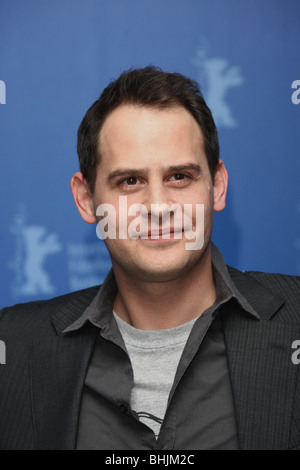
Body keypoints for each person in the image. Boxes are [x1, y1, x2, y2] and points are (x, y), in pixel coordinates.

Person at [0, 66, 300, 451]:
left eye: (179, 177)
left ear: (218, 187)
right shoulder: (13, 346)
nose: (157, 207)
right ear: (86, 199)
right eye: (129, 181)